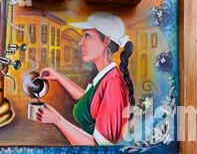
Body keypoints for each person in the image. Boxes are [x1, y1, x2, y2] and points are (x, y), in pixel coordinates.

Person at [36, 12, 135, 146]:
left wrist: (57, 120)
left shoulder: (113, 84)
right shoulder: (106, 76)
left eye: (87, 36)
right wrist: (58, 77)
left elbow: (101, 147)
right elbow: (88, 100)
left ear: (106, 41)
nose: (80, 42)